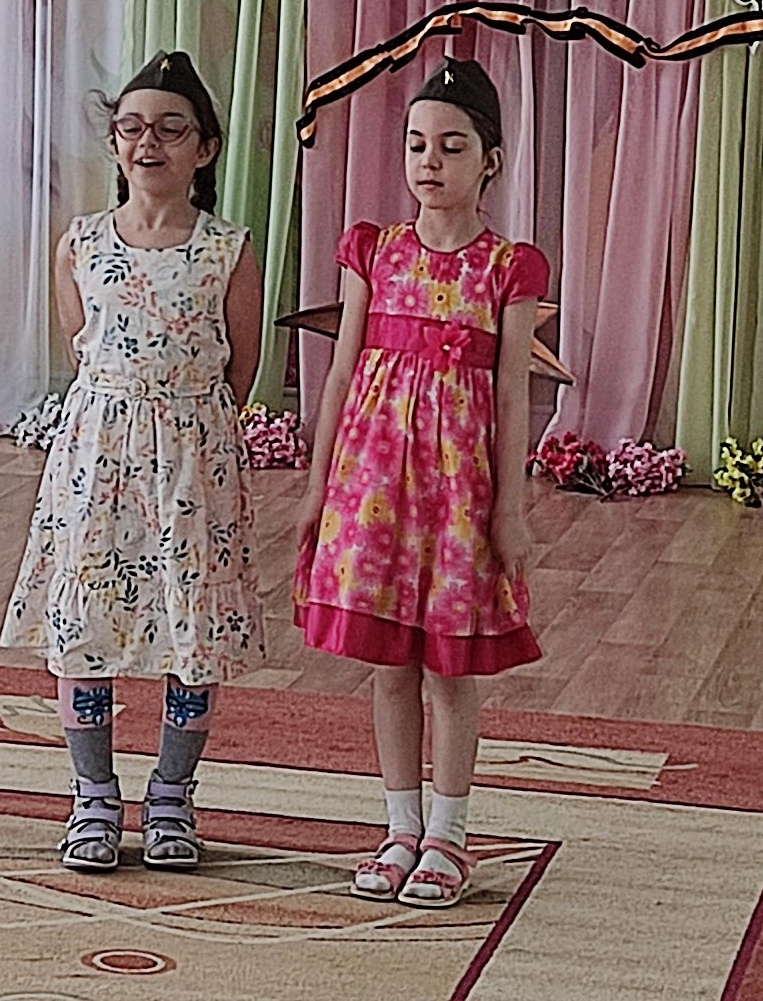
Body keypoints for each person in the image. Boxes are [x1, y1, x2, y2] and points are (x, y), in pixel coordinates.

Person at [293, 57, 548, 908]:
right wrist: (318, 485)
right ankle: (399, 826)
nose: (429, 161)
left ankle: (449, 833)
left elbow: (509, 392)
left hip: (457, 495)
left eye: (451, 145)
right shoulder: (375, 251)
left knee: (447, 667)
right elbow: (340, 374)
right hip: (372, 488)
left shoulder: (508, 268)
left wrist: (510, 508)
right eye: (415, 145)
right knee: (389, 665)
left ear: (491, 160)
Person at [1, 49, 264, 871]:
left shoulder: (228, 250)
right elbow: (81, 345)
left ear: (205, 147)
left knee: (191, 623)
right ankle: (93, 795)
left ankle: (173, 795)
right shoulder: (80, 244)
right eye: (132, 128)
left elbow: (241, 367)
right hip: (97, 457)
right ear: (114, 142)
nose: (148, 143)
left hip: (191, 458)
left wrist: (185, 425)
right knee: (89, 618)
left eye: (170, 130)